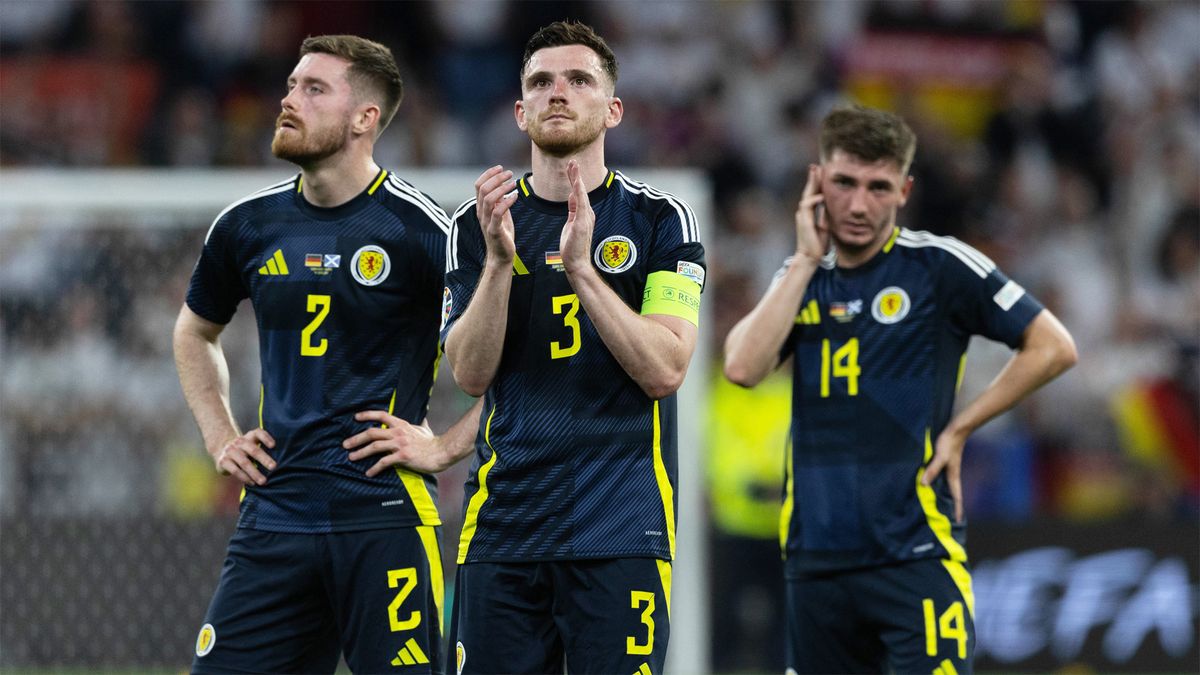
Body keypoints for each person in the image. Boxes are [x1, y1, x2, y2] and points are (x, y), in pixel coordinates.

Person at [723, 104, 1077, 674]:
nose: (859, 204)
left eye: (878, 187)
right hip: (815, 562)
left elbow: (1054, 345)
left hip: (914, 554)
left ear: (904, 190)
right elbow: (741, 367)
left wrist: (962, 427)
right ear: (818, 181)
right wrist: (807, 260)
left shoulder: (937, 266)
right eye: (844, 183)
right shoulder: (799, 278)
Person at [173, 34, 475, 674]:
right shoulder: (246, 226)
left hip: (384, 519)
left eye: (314, 89)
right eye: (290, 86)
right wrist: (220, 435)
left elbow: (513, 364)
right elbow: (193, 332)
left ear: (365, 118)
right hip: (274, 515)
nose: (288, 101)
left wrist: (445, 446)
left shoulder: (422, 231)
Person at [431, 20, 704, 674]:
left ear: (612, 109)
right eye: (541, 82)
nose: (559, 92)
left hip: (620, 530)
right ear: (520, 111)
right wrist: (500, 264)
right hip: (504, 529)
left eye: (579, 79)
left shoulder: (659, 221)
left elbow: (666, 367)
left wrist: (582, 270)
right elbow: (469, 372)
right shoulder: (477, 224)